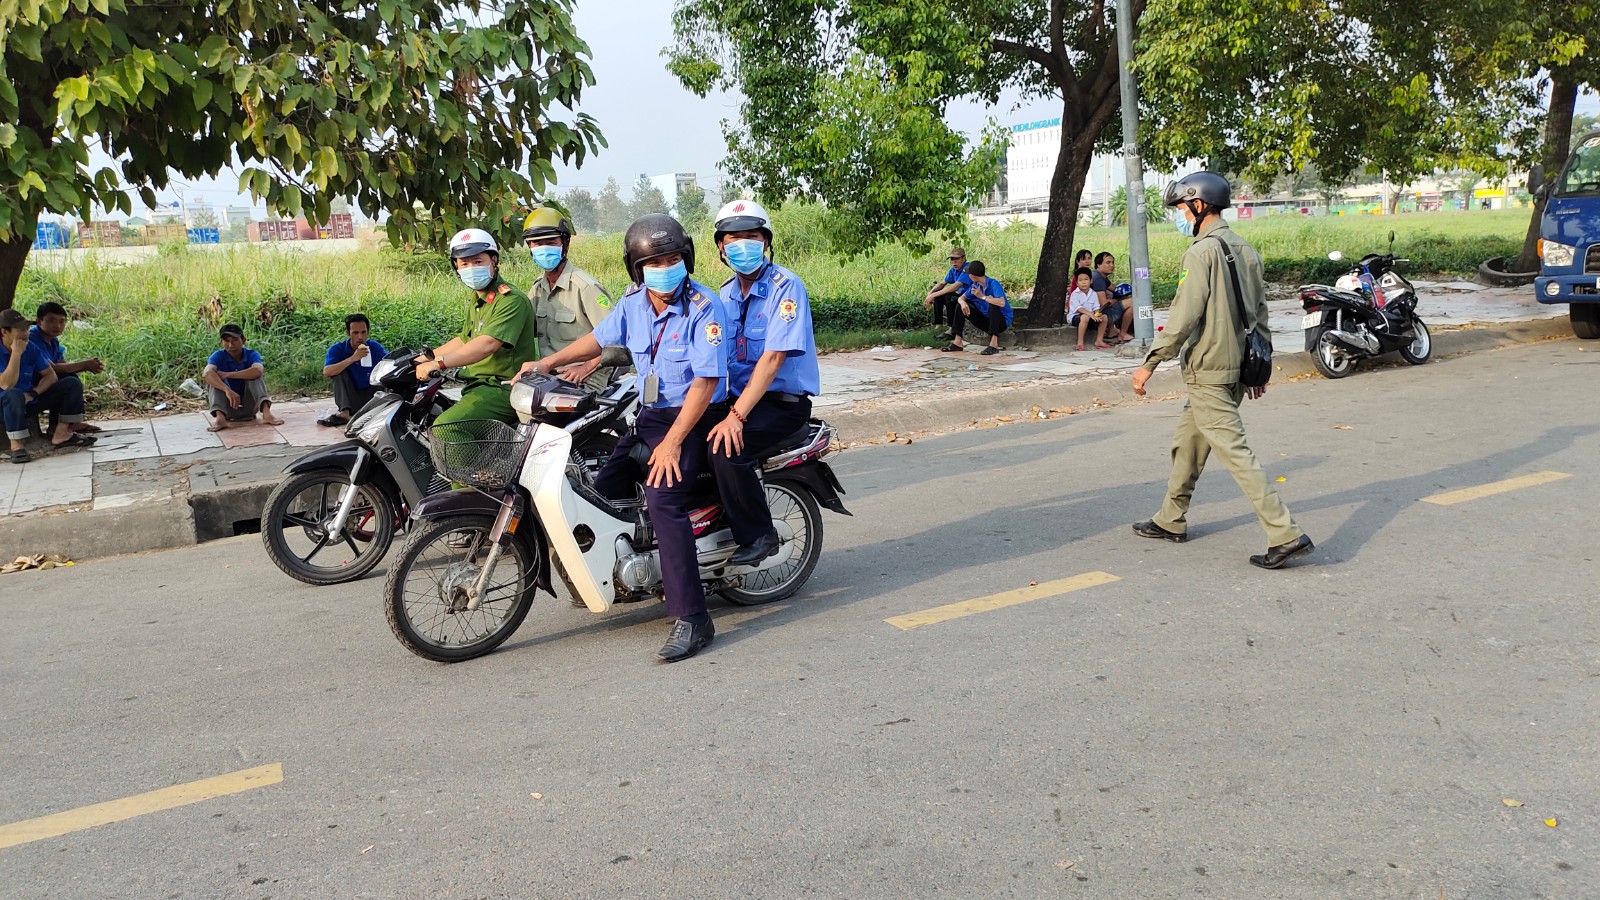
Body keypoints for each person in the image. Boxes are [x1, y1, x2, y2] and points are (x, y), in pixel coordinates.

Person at [522, 214, 729, 662]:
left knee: (662, 497)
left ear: (687, 259)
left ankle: (693, 617)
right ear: (637, 268)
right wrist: (546, 364)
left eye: (674, 258)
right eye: (654, 261)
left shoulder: (705, 307)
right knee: (599, 490)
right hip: (652, 413)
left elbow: (706, 383)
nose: (665, 267)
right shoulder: (635, 302)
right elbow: (598, 339)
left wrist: (673, 443)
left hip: (695, 418)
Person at [1130, 171, 1313, 570]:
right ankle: (1170, 519)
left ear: (1199, 205)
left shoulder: (1200, 253)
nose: (1178, 216)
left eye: (1180, 207)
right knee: (1189, 445)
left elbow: (1183, 316)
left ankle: (1285, 534)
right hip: (1234, 367)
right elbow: (1259, 314)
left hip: (1209, 368)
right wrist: (1257, 370)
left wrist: (1150, 363)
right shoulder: (1244, 249)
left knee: (1235, 452)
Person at [704, 200, 820, 567]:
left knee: (726, 448)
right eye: (733, 238)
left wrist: (736, 415)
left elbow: (772, 360)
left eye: (751, 236)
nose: (742, 245)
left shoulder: (786, 288)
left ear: (765, 241)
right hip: (740, 398)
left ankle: (760, 534)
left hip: (781, 403)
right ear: (721, 246)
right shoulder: (723, 294)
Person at [418, 228, 539, 427]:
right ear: (456, 267)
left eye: (478, 261)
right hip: (478, 385)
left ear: (494, 261)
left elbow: (487, 344)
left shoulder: (511, 300)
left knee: (446, 429)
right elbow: (463, 340)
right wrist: (420, 359)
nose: (471, 268)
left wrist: (438, 364)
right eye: (464, 263)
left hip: (503, 388)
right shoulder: (479, 299)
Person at [522, 206, 617, 392]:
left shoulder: (585, 287)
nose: (543, 249)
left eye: (550, 242)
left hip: (586, 376)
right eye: (537, 243)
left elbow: (615, 337)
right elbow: (522, 330)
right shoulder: (537, 290)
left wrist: (586, 367)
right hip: (548, 375)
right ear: (530, 248)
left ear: (564, 244)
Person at [3, 308, 95, 462]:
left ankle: (61, 433)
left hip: (28, 399)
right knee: (13, 394)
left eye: (26, 328)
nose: (25, 334)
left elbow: (50, 375)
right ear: (4, 332)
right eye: (19, 330)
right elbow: (7, 384)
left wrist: (34, 393)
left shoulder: (30, 347)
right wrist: (16, 354)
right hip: (6, 405)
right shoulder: (13, 350)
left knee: (71, 383)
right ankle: (16, 445)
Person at [29, 301, 103, 434]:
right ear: (39, 322)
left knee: (69, 376)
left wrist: (87, 366)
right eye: (51, 320)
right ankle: (62, 428)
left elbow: (63, 364)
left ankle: (65, 423)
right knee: (70, 383)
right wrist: (85, 364)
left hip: (44, 386)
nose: (57, 326)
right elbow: (53, 369)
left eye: (62, 321)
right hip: (32, 392)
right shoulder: (33, 339)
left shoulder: (52, 340)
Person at [203, 323, 282, 431]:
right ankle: (220, 419)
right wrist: (227, 390)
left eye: (235, 340)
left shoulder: (251, 354)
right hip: (227, 408)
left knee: (254, 376)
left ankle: (267, 414)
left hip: (250, 406)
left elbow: (257, 371)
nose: (231, 345)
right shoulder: (218, 356)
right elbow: (207, 373)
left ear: (243, 340)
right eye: (226, 341)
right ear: (221, 342)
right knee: (214, 378)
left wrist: (228, 374)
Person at [319, 314, 388, 427]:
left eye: (363, 332)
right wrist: (352, 359)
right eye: (355, 333)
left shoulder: (374, 347)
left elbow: (391, 362)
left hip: (372, 395)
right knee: (338, 371)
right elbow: (327, 372)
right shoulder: (337, 349)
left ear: (368, 332)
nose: (360, 337)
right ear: (348, 333)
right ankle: (345, 412)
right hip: (351, 398)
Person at [942, 261, 1011, 355]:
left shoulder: (993, 283)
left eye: (968, 274)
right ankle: (957, 342)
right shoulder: (975, 286)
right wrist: (963, 303)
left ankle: (994, 344)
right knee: (960, 306)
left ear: (973, 276)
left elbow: (1002, 303)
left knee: (993, 305)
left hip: (1000, 322)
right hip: (985, 320)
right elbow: (961, 298)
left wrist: (983, 296)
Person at [924, 246, 969, 338]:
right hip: (960, 296)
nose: (954, 262)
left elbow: (956, 286)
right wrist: (930, 294)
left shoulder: (967, 268)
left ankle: (952, 327)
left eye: (957, 259)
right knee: (939, 296)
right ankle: (938, 324)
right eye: (952, 259)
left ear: (963, 258)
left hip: (969, 297)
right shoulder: (953, 269)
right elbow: (942, 283)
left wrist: (935, 294)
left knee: (949, 296)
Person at [1092, 252, 1135, 342]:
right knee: (1132, 302)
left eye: (1113, 262)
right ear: (1098, 265)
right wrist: (1118, 299)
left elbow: (1115, 290)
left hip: (1097, 310)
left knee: (1125, 298)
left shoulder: (1101, 276)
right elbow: (1104, 303)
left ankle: (1112, 332)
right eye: (1108, 263)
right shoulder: (1097, 278)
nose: (1112, 265)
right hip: (1097, 314)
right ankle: (1123, 334)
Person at [1066, 267, 1109, 350]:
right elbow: (1079, 309)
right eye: (1080, 280)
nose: (1083, 282)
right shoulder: (1075, 294)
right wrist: (1090, 315)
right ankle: (1080, 343)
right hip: (1076, 317)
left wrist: (1097, 313)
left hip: (1090, 317)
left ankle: (1099, 341)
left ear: (1091, 281)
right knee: (1085, 317)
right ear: (1077, 283)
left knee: (1104, 317)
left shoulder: (1093, 293)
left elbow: (1096, 307)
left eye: (1086, 279)